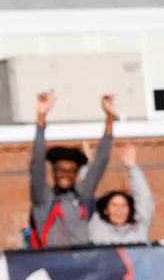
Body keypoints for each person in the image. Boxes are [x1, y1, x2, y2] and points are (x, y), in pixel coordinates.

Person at [28, 91, 115, 250]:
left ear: (76, 174)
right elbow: (36, 163)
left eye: (70, 171)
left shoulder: (82, 196)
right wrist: (41, 117)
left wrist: (109, 118)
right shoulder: (43, 197)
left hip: (81, 265)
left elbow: (100, 162)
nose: (65, 175)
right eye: (60, 170)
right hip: (52, 264)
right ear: (53, 171)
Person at [88, 143, 155, 245]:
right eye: (114, 205)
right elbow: (86, 195)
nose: (119, 210)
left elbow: (145, 197)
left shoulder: (139, 225)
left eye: (123, 205)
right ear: (106, 210)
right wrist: (91, 169)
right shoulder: (96, 225)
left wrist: (132, 167)